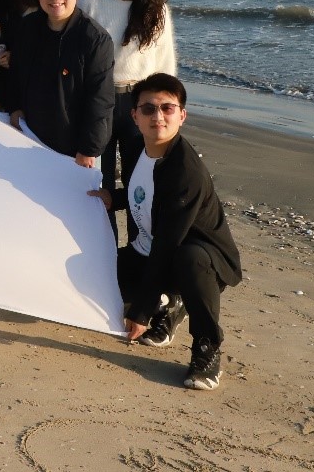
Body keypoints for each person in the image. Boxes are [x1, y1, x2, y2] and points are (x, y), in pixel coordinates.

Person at [88, 74, 241, 391]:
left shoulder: (185, 170)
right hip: (149, 252)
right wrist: (113, 198)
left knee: (189, 258)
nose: (157, 116)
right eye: (148, 109)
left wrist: (141, 313)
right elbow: (146, 193)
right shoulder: (139, 150)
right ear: (135, 116)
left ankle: (206, 347)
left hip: (200, 260)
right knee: (92, 280)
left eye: (167, 108)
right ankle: (169, 302)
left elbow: (168, 244)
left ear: (182, 115)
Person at [80, 0, 179, 200]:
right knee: (97, 181)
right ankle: (103, 230)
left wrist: (168, 108)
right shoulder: (89, 2)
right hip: (99, 100)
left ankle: (138, 230)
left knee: (140, 183)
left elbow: (165, 63)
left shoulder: (157, 10)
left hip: (141, 102)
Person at [5, 0, 114, 169]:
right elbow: (15, 73)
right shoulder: (27, 28)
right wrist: (14, 107)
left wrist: (89, 149)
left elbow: (101, 100)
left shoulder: (94, 39)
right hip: (28, 135)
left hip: (73, 146)